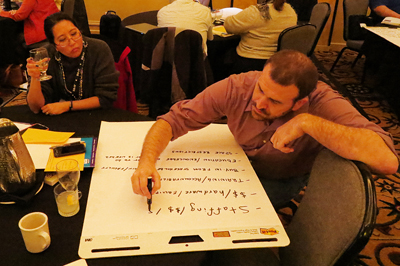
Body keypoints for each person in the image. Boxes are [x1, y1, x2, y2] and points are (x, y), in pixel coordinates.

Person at [131, 50, 398, 209]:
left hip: (280, 178)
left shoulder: (322, 103)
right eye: (261, 89)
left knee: (224, 214)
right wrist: (146, 162)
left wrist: (308, 122)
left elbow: (386, 161)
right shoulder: (239, 86)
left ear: (300, 102)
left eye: (274, 101)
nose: (259, 102)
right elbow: (172, 120)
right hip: (234, 164)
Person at [26, 12, 119, 115]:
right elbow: (36, 108)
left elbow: (106, 98)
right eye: (62, 39)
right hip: (58, 116)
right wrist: (35, 78)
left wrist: (67, 105)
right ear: (54, 45)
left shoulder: (99, 49)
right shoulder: (45, 56)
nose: (72, 42)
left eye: (74, 34)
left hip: (94, 114)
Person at [223, 0, 297, 74]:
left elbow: (228, 26)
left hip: (249, 62)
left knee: (221, 53)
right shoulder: (290, 11)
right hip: (277, 64)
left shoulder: (256, 12)